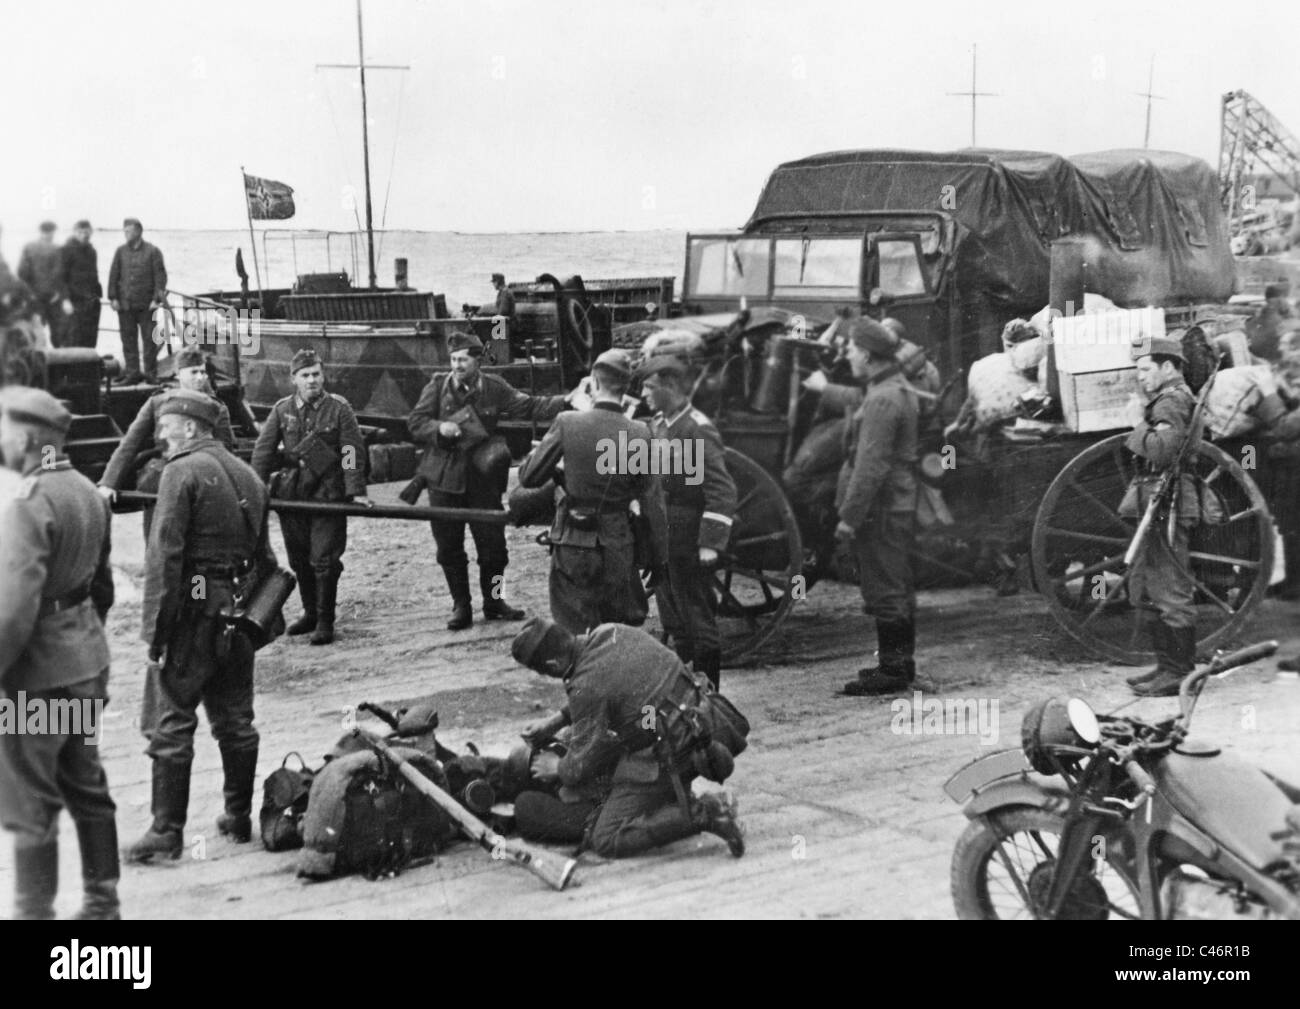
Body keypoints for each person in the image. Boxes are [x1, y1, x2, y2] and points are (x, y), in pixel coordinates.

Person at [126, 390, 277, 863]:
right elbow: (266, 558)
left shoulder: (180, 472)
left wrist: (156, 632)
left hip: (194, 614)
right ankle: (237, 816)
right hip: (239, 612)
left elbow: (165, 557)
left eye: (167, 426)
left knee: (170, 719)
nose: (162, 436)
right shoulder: (248, 474)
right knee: (236, 719)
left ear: (191, 428)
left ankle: (166, 832)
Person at [0, 387, 119, 919]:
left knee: (30, 801)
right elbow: (104, 589)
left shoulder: (28, 503)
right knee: (87, 785)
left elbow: (12, 610)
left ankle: (33, 912)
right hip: (85, 661)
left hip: (37, 675)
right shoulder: (88, 491)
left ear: (27, 438)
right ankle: (102, 903)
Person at [509, 616, 744, 859]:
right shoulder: (611, 632)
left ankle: (704, 813)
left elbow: (580, 763)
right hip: (701, 721)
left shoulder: (586, 684)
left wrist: (557, 767)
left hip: (671, 753)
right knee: (590, 739)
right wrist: (555, 721)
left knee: (606, 838)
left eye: (543, 671)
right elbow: (610, 687)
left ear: (552, 663)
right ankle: (671, 802)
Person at [407, 331, 569, 630]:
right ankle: (461, 606)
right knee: (449, 549)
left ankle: (495, 602)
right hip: (443, 482)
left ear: (477, 361)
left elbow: (530, 406)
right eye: (453, 360)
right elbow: (415, 423)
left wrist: (566, 400)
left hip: (483, 482)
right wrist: (439, 428)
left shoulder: (494, 388)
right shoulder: (437, 385)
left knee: (494, 549)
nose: (457, 365)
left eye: (463, 360)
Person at [517, 348, 667, 633]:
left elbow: (530, 477)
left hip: (573, 542)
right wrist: (659, 556)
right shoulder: (639, 432)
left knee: (575, 626)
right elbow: (651, 500)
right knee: (619, 631)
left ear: (594, 384)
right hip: (618, 542)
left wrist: (562, 470)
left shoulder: (567, 422)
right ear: (626, 388)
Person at [251, 349, 370, 645]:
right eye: (305, 375)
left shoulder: (339, 408)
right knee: (300, 559)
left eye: (316, 374)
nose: (312, 380)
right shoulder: (282, 410)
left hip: (327, 495)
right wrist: (254, 488)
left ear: (323, 375)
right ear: (294, 379)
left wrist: (354, 491)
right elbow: (263, 452)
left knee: (324, 560)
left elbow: (351, 452)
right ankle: (310, 614)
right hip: (293, 495)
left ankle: (326, 620)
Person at [639, 355, 737, 689]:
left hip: (689, 540)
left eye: (650, 387)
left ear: (671, 387)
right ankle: (686, 697)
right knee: (674, 620)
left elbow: (721, 490)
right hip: (664, 539)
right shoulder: (659, 425)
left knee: (698, 622)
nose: (643, 393)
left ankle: (709, 699)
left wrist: (710, 541)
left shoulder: (697, 428)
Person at [836, 318, 921, 697]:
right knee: (894, 584)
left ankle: (893, 670)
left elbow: (870, 467)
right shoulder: (890, 389)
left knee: (886, 587)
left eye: (852, 348)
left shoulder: (883, 398)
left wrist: (849, 518)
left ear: (867, 354)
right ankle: (898, 663)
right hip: (893, 505)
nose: (848, 355)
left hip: (882, 509)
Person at [1123, 337, 1200, 697]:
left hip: (1167, 500)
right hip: (1157, 499)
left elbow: (1163, 451)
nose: (1140, 377)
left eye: (1145, 369)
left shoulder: (1172, 401)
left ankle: (1180, 671)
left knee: (1169, 586)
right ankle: (1166, 666)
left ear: (1168, 367)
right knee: (1153, 583)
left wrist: (1134, 425)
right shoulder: (1168, 399)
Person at [98, 345, 235, 537]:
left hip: (202, 476)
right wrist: (109, 482)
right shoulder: (158, 403)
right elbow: (130, 443)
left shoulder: (216, 408)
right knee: (158, 533)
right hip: (164, 475)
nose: (200, 377)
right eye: (193, 372)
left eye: (203, 372)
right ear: (179, 374)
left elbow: (225, 451)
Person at [107, 217, 167, 384]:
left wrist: (156, 299)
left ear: (139, 231)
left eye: (129, 230)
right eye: (124, 230)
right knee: (128, 340)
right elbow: (114, 275)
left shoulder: (153, 251)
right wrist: (113, 298)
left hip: (147, 305)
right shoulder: (120, 252)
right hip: (125, 305)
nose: (126, 233)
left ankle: (150, 374)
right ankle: (132, 374)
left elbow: (160, 277)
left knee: (149, 341)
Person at [17, 222, 68, 340]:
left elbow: (22, 273)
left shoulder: (28, 247)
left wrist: (28, 294)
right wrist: (58, 293)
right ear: (52, 233)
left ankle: (36, 355)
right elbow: (59, 274)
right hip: (52, 298)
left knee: (35, 332)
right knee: (57, 333)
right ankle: (56, 355)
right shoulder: (56, 248)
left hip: (34, 296)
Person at [59, 220, 102, 349]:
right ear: (75, 233)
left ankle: (86, 368)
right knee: (73, 341)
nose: (84, 235)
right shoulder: (65, 250)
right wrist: (65, 300)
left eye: (87, 232)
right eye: (81, 232)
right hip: (73, 304)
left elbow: (94, 276)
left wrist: (96, 297)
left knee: (89, 341)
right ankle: (72, 369)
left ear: (91, 233)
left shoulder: (92, 251)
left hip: (90, 304)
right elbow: (60, 278)